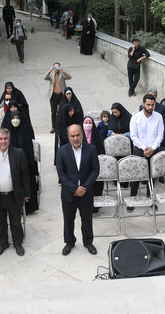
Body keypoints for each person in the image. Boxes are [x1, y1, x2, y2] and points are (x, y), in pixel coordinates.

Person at [0, 128, 30, 257]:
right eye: (0, 139)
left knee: (16, 222)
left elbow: (25, 175)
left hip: (14, 195)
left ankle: (18, 243)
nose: (3, 141)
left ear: (9, 139)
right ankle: (3, 243)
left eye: (5, 138)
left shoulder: (18, 153)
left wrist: (26, 194)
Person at [56, 124, 100, 255]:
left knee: (87, 219)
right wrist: (74, 188)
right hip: (69, 193)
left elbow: (95, 170)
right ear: (68, 136)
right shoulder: (62, 151)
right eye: (72, 136)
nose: (75, 138)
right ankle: (69, 242)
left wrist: (84, 187)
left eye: (78, 135)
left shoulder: (91, 149)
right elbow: (61, 173)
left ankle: (88, 241)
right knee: (68, 219)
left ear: (82, 135)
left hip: (86, 193)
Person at [128, 94, 164, 210]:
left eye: (152, 105)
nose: (150, 107)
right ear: (143, 104)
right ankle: (132, 200)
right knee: (136, 175)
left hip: (154, 149)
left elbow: (160, 135)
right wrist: (145, 148)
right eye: (148, 104)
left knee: (152, 176)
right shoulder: (135, 117)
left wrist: (152, 148)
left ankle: (151, 199)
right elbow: (133, 136)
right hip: (139, 150)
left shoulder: (158, 117)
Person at [8, 111, 39, 214]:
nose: (15, 120)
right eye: (13, 118)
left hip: (25, 165)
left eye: (17, 117)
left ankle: (29, 208)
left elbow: (29, 152)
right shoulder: (8, 135)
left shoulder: (25, 133)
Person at [82, 116, 105, 209]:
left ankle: (96, 205)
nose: (88, 125)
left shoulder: (97, 136)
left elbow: (101, 151)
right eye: (86, 123)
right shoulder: (79, 136)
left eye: (90, 123)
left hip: (95, 164)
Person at [44, 62, 72, 133]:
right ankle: (54, 127)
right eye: (55, 67)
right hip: (53, 95)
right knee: (53, 112)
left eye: (57, 67)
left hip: (61, 95)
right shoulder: (51, 75)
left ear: (59, 67)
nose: (56, 69)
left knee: (63, 110)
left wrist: (63, 71)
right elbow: (45, 78)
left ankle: (64, 125)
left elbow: (69, 77)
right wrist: (50, 70)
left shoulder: (62, 75)